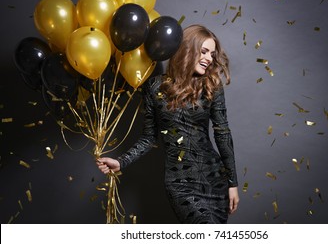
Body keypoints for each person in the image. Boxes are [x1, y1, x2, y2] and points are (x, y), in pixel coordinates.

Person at [97, 24, 239, 224]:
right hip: (179, 183)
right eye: (204, 51)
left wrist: (232, 183)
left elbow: (222, 134)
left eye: (212, 54)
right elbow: (149, 137)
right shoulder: (154, 87)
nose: (209, 59)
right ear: (187, 49)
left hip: (214, 178)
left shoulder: (212, 86)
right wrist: (121, 162)